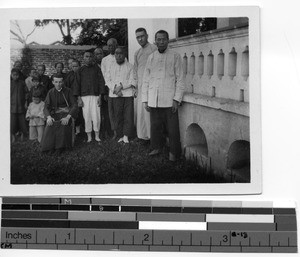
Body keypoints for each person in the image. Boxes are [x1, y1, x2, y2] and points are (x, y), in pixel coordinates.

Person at [142, 30, 185, 161]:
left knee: (172, 129)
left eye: (163, 39)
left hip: (169, 99)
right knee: (155, 126)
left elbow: (180, 79)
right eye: (158, 39)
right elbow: (146, 79)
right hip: (153, 99)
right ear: (155, 41)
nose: (161, 42)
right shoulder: (151, 57)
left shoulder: (175, 56)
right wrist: (145, 100)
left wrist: (176, 99)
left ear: (167, 40)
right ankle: (156, 147)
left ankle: (174, 153)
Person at [41, 74, 78, 153]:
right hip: (55, 114)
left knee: (63, 124)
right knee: (50, 124)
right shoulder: (50, 92)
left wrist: (68, 117)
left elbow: (74, 105)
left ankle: (60, 147)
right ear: (53, 82)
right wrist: (49, 117)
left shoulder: (68, 91)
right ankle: (50, 147)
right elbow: (45, 107)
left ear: (63, 82)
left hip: (67, 113)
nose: (58, 84)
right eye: (56, 82)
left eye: (60, 82)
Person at [74, 50, 106, 142]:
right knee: (87, 116)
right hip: (84, 97)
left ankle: (96, 135)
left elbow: (101, 83)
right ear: (83, 58)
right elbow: (77, 85)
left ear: (93, 58)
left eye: (90, 56)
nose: (88, 58)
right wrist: (79, 98)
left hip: (95, 96)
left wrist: (100, 96)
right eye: (86, 56)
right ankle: (89, 136)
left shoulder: (97, 69)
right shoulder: (80, 70)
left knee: (96, 116)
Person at [106, 47, 137, 143]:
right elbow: (107, 80)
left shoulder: (130, 66)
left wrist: (121, 87)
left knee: (128, 115)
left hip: (127, 95)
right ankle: (120, 135)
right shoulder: (110, 66)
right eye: (116, 53)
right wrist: (115, 89)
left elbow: (133, 80)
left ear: (125, 55)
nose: (118, 55)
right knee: (117, 115)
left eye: (120, 53)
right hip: (115, 95)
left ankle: (126, 135)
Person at [134, 27, 157, 141]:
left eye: (142, 36)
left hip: (152, 86)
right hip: (141, 87)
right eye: (138, 37)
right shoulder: (137, 53)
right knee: (141, 113)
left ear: (147, 36)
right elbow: (136, 70)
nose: (140, 39)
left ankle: (153, 138)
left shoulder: (154, 49)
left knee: (150, 113)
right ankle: (143, 136)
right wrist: (136, 87)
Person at [101, 38, 118, 139]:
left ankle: (121, 131)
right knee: (111, 113)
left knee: (119, 111)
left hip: (120, 90)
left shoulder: (122, 57)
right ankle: (114, 132)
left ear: (116, 45)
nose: (110, 47)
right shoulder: (105, 60)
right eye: (108, 45)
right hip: (110, 90)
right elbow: (104, 77)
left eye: (112, 45)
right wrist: (106, 92)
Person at [94, 47, 112, 138]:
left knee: (107, 113)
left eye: (100, 53)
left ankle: (109, 132)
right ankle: (100, 132)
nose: (99, 56)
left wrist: (106, 92)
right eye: (97, 54)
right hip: (96, 94)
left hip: (106, 92)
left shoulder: (108, 64)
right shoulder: (93, 67)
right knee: (98, 114)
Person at [64, 59, 83, 135]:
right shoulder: (69, 75)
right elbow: (66, 86)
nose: (74, 68)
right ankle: (73, 130)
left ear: (79, 66)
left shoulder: (82, 74)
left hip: (81, 96)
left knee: (80, 113)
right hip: (71, 97)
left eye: (76, 66)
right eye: (73, 66)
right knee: (73, 112)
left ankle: (80, 129)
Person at [10, 68, 28, 143]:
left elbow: (26, 92)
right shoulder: (9, 83)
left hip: (21, 106)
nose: (15, 77)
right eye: (14, 75)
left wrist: (26, 102)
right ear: (11, 75)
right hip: (12, 106)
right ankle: (13, 135)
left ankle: (22, 134)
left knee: (22, 121)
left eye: (17, 75)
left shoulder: (22, 83)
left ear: (19, 75)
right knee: (13, 122)